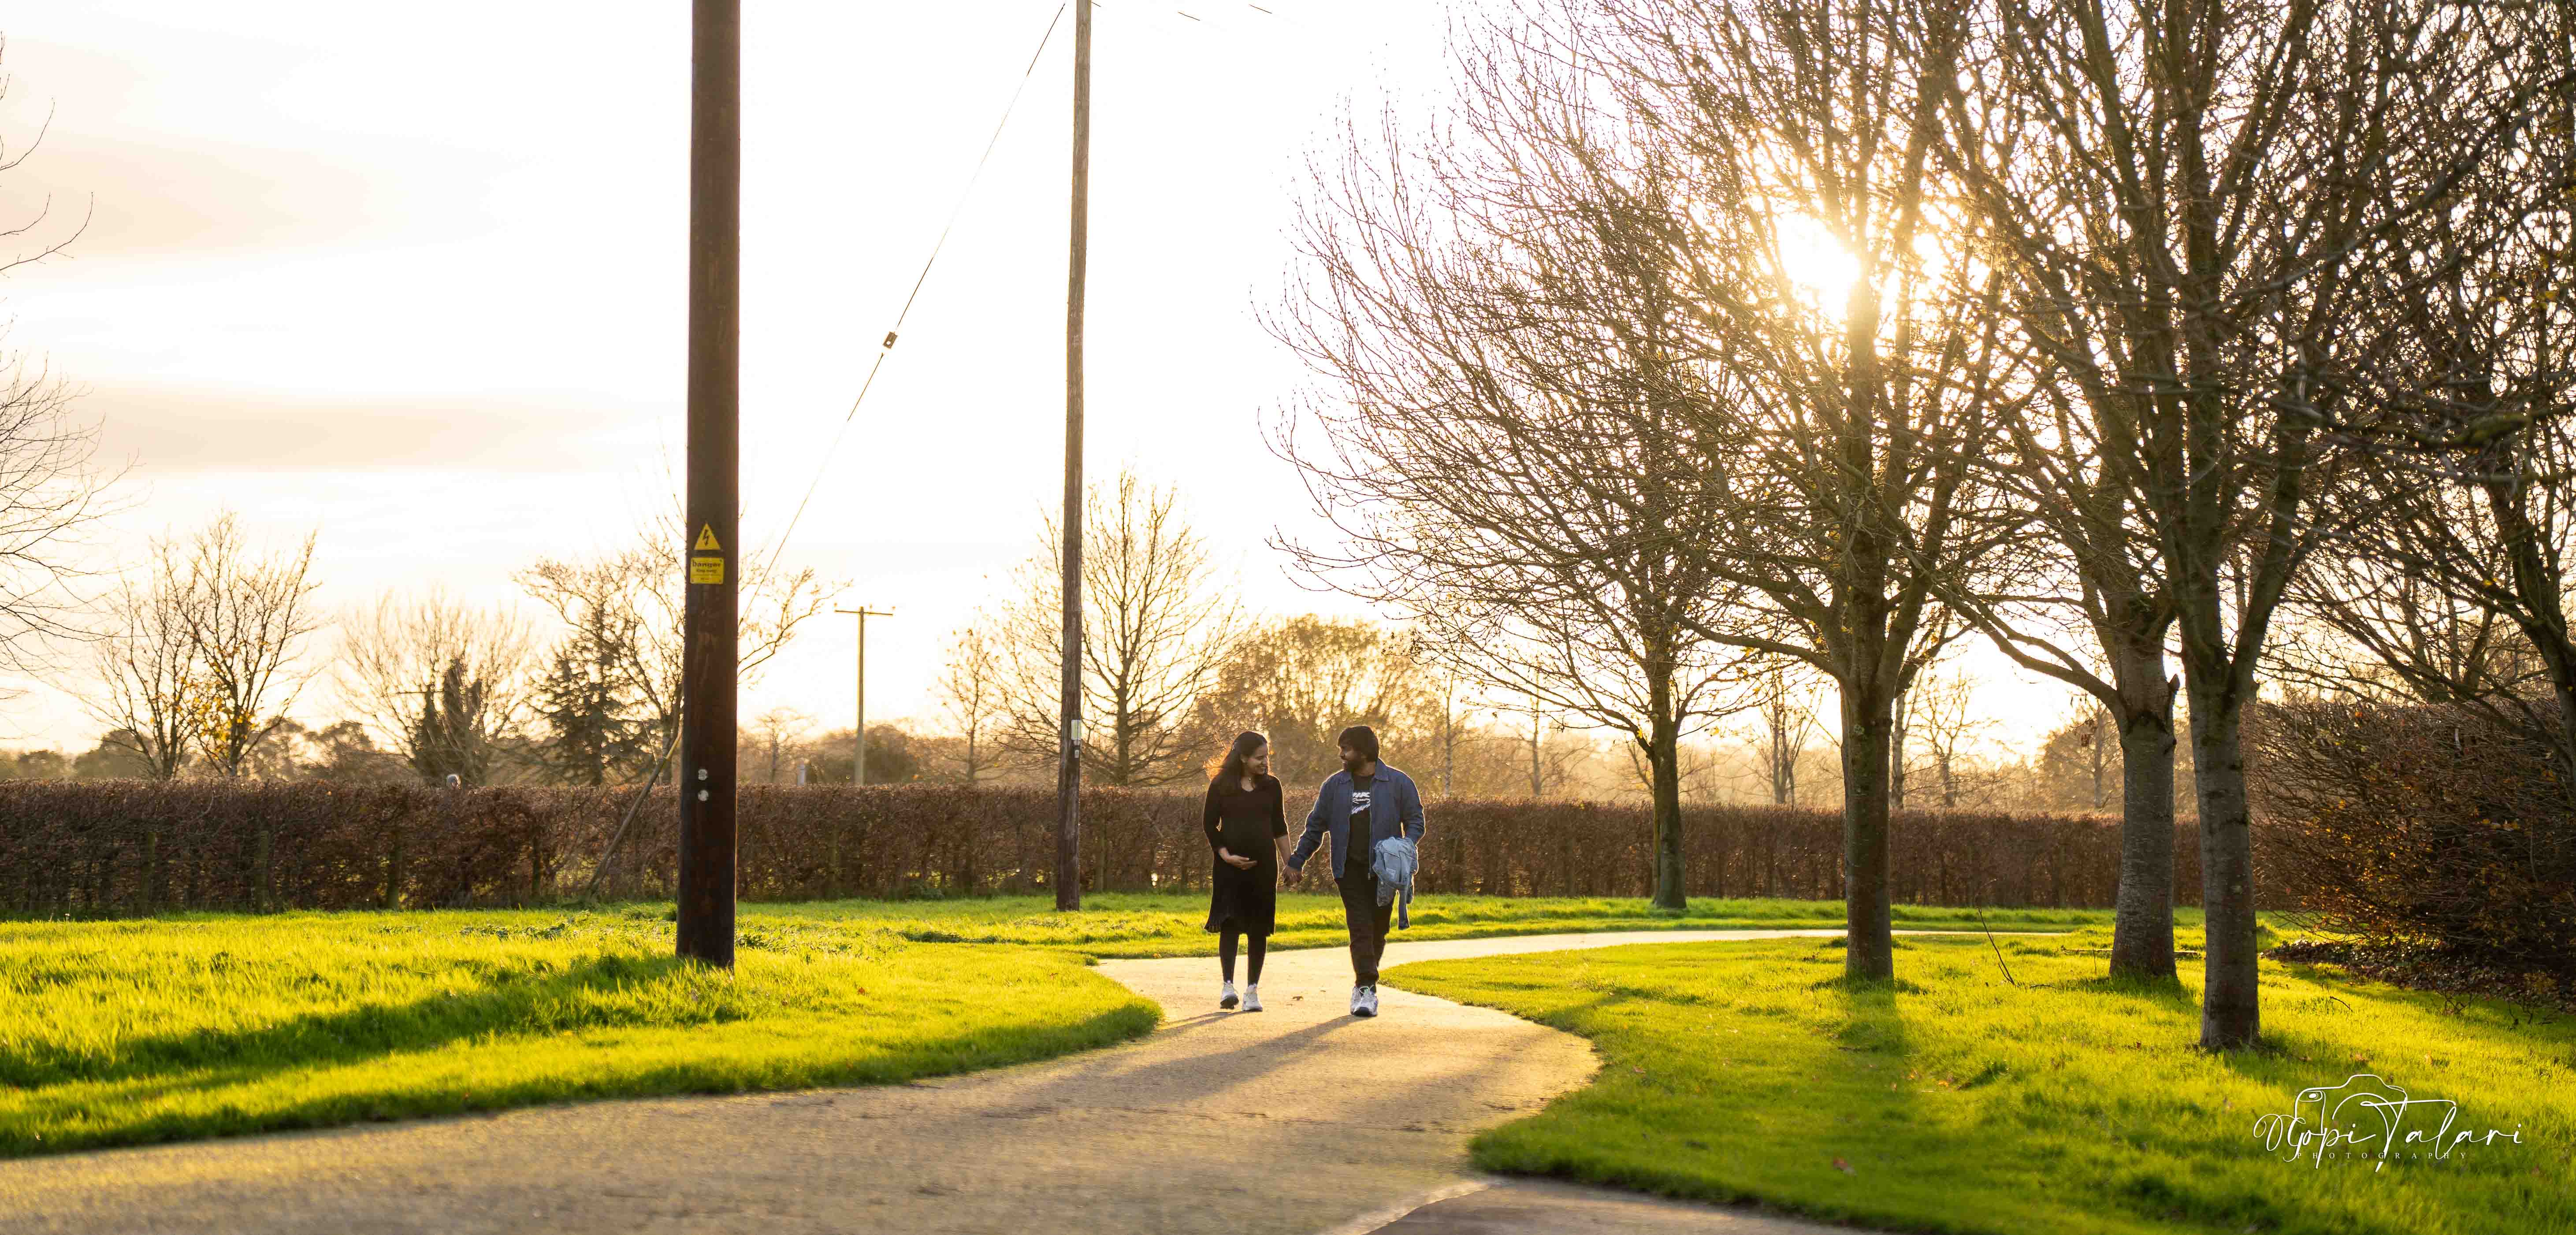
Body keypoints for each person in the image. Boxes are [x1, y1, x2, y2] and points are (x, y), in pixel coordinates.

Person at [1285, 725, 1425, 1018]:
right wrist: (1297, 861)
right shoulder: (1334, 786)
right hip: (1347, 869)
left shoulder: (1398, 783)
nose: (1341, 755)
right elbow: (1315, 827)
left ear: (1363, 752)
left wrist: (1406, 846)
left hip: (1385, 872)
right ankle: (1366, 988)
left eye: (1346, 749)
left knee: (1378, 930)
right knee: (1360, 926)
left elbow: (1415, 820)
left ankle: (1364, 982)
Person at [1201, 730, 1287, 1011]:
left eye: (1267, 757)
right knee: (1231, 925)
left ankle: (1252, 991)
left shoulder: (1272, 786)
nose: (1265, 763)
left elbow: (1279, 827)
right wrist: (1226, 855)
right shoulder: (1221, 785)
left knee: (1258, 928)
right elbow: (1209, 824)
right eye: (1259, 758)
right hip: (1229, 869)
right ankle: (1228, 987)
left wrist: (1290, 863)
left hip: (1264, 867)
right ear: (1243, 758)